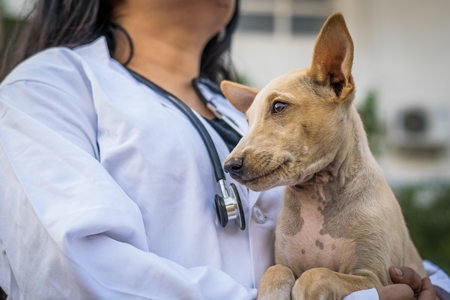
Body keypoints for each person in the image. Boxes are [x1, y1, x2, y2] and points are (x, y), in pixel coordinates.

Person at [0, 0, 448, 299]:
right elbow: (71, 270)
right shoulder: (46, 88)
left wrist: (433, 287)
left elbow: (372, 237)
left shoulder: (237, 110)